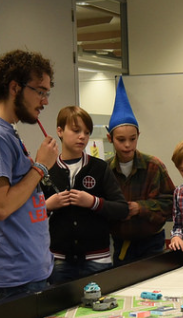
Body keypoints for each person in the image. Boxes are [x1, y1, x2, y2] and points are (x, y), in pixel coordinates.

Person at [0, 50, 59, 301]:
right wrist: (40, 168)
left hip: (29, 268)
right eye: (40, 91)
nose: (45, 101)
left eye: (46, 93)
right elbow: (1, 205)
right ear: (14, 88)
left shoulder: (6, 132)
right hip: (17, 274)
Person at [43, 106, 126, 284]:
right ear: (60, 131)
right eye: (76, 130)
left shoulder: (99, 168)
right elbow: (29, 215)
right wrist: (47, 206)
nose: (82, 136)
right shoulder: (47, 169)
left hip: (97, 260)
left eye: (87, 132)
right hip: (58, 260)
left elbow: (122, 209)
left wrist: (93, 202)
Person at [105, 82, 174, 264]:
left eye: (132, 139)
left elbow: (170, 204)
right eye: (121, 140)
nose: (127, 145)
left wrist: (139, 208)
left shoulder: (154, 166)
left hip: (152, 244)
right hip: (119, 245)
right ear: (109, 138)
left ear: (138, 136)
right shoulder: (105, 171)